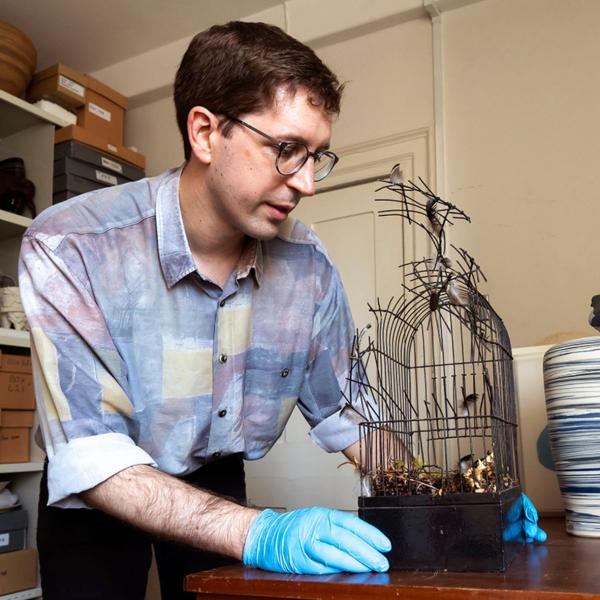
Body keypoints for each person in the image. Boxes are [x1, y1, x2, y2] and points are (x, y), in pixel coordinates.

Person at [18, 21, 544, 600]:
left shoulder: (307, 267)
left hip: (213, 476)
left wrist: (453, 500)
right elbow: (91, 454)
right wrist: (264, 532)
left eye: (317, 155)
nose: (308, 184)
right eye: (287, 150)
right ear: (205, 133)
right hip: (100, 490)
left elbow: (353, 416)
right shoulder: (70, 245)